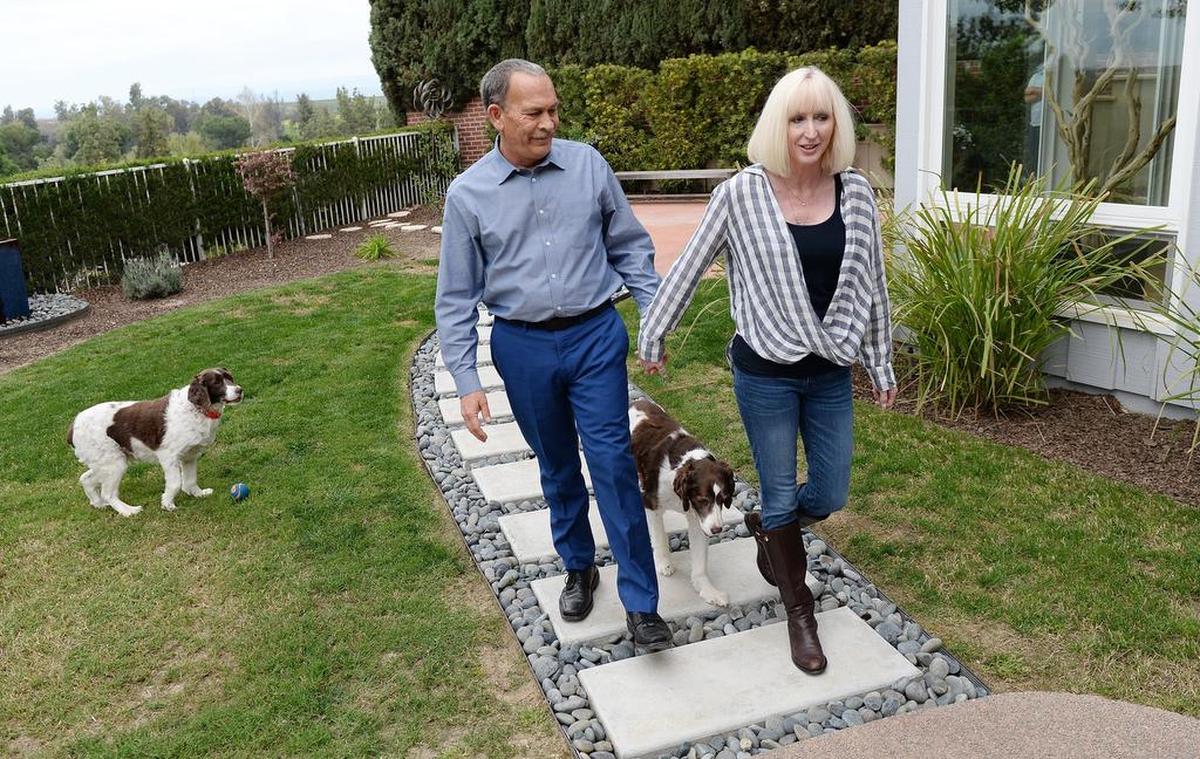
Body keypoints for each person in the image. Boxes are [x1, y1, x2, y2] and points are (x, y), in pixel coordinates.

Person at [637, 67, 897, 673]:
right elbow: (691, 260)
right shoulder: (743, 193)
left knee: (829, 490)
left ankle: (768, 530)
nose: (810, 131)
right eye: (796, 118)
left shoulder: (855, 192)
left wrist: (879, 362)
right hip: (765, 371)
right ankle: (798, 610)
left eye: (821, 117)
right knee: (781, 489)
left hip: (831, 366)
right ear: (777, 127)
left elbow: (873, 286)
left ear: (838, 124)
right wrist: (654, 328)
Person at [435, 59, 672, 653]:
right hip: (522, 346)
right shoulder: (467, 196)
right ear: (497, 116)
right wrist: (467, 380)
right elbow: (457, 296)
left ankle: (641, 602)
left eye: (554, 110)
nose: (549, 122)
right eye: (534, 112)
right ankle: (578, 565)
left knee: (614, 462)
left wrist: (654, 316)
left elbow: (631, 248)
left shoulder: (589, 164)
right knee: (558, 463)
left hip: (595, 335)